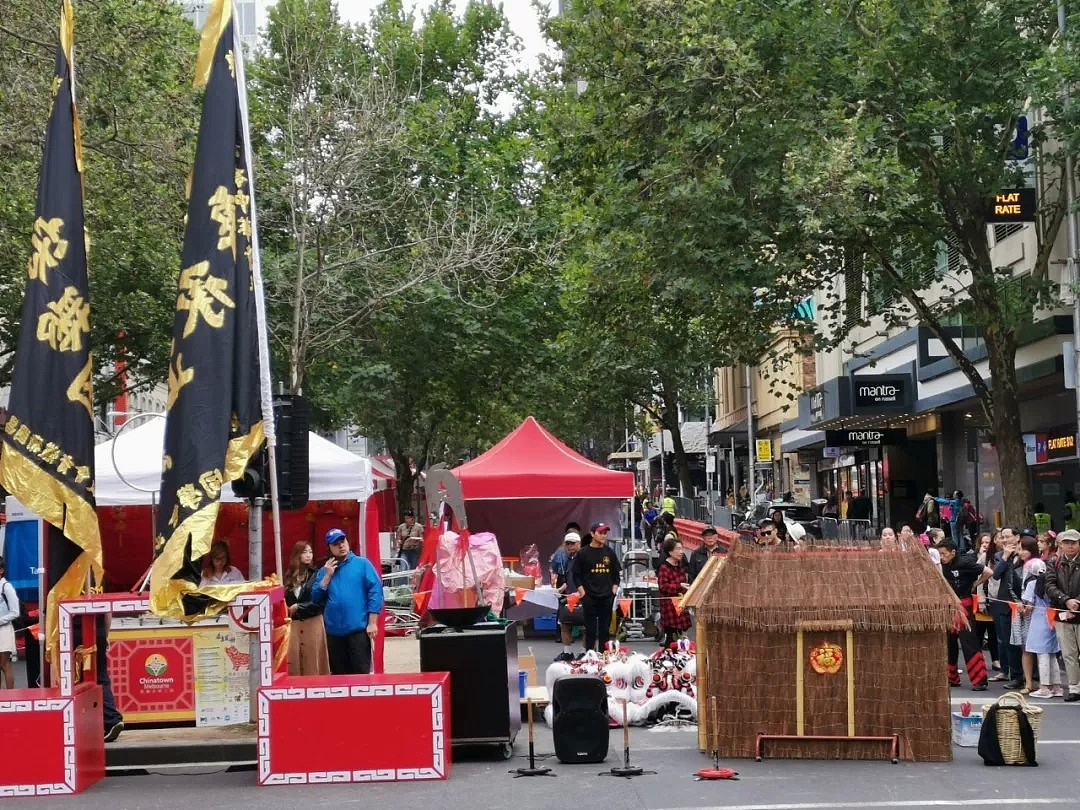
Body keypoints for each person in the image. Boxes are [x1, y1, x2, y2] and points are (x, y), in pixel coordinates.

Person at [311, 528, 384, 675]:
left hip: (358, 629)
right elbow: (315, 597)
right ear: (330, 548)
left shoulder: (362, 564)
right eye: (336, 544)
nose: (341, 546)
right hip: (334, 632)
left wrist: (372, 622)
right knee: (339, 675)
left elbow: (375, 592)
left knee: (361, 674)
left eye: (343, 541)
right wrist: (327, 576)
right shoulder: (325, 570)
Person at [938, 539, 992, 690]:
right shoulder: (943, 565)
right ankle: (952, 678)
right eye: (940, 554)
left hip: (964, 606)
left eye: (944, 553)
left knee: (968, 642)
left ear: (953, 552)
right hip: (949, 606)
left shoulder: (965, 563)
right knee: (950, 642)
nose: (942, 556)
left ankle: (980, 680)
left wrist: (975, 584)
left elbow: (988, 572)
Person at [572, 522, 621, 652]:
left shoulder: (609, 552)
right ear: (592, 534)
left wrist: (613, 591)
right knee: (590, 630)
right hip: (589, 597)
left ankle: (603, 655)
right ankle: (590, 657)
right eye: (600, 533)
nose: (603, 535)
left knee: (605, 630)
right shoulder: (583, 553)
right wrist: (582, 593)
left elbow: (616, 574)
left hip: (606, 596)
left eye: (605, 533)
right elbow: (576, 575)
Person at [1043, 528, 1080, 701]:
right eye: (1067, 543)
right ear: (1061, 544)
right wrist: (1066, 601)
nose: (1070, 546)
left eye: (1074, 543)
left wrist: (1076, 602)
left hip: (1077, 611)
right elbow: (1049, 585)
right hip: (1062, 613)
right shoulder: (1054, 562)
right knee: (1068, 654)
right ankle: (1074, 687)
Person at [284, 541, 330, 676]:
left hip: (313, 620)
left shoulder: (316, 575)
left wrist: (300, 606)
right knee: (294, 659)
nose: (308, 555)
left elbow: (321, 600)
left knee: (313, 659)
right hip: (294, 623)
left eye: (310, 552)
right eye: (305, 552)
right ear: (297, 554)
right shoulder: (288, 577)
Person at [553, 532, 585, 661]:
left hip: (583, 596)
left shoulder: (585, 558)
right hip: (569, 597)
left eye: (573, 543)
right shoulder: (567, 560)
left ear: (579, 544)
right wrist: (560, 589)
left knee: (586, 627)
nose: (570, 546)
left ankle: (584, 652)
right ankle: (567, 652)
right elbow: (568, 579)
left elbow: (590, 579)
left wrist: (580, 592)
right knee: (564, 625)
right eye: (568, 544)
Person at [657, 536, 691, 646]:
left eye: (682, 549)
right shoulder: (664, 567)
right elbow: (663, 586)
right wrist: (679, 586)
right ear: (670, 552)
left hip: (680, 606)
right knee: (671, 639)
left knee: (682, 639)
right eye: (678, 549)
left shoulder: (680, 566)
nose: (681, 552)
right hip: (669, 608)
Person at [0, 559, 18, 689]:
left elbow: (15, 612)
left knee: (4, 664)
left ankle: (10, 696)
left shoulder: (6, 587)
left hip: (4, 630)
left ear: (1, 570)